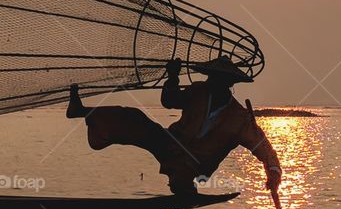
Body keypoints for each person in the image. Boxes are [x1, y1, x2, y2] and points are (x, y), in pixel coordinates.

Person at [66, 56, 282, 195]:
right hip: (171, 142)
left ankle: (185, 190)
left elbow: (263, 148)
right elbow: (169, 100)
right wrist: (172, 76)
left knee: (182, 179)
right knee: (135, 118)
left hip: (196, 163)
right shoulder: (198, 91)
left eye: (214, 79)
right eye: (209, 78)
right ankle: (82, 111)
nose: (209, 82)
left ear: (227, 84)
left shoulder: (240, 119)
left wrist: (273, 172)